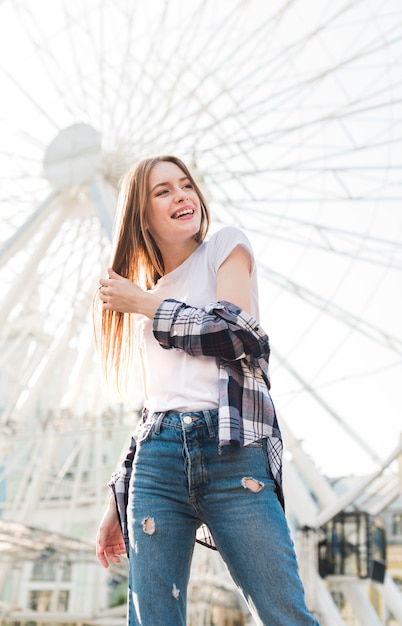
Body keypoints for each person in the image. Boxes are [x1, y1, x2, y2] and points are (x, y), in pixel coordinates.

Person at [95, 155, 320, 626]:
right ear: (142, 214)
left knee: (284, 613)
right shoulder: (150, 293)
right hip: (156, 464)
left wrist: (148, 305)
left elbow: (240, 335)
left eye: (186, 185)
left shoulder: (225, 247)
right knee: (152, 618)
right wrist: (116, 499)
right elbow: (155, 406)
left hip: (232, 452)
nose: (182, 196)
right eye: (163, 191)